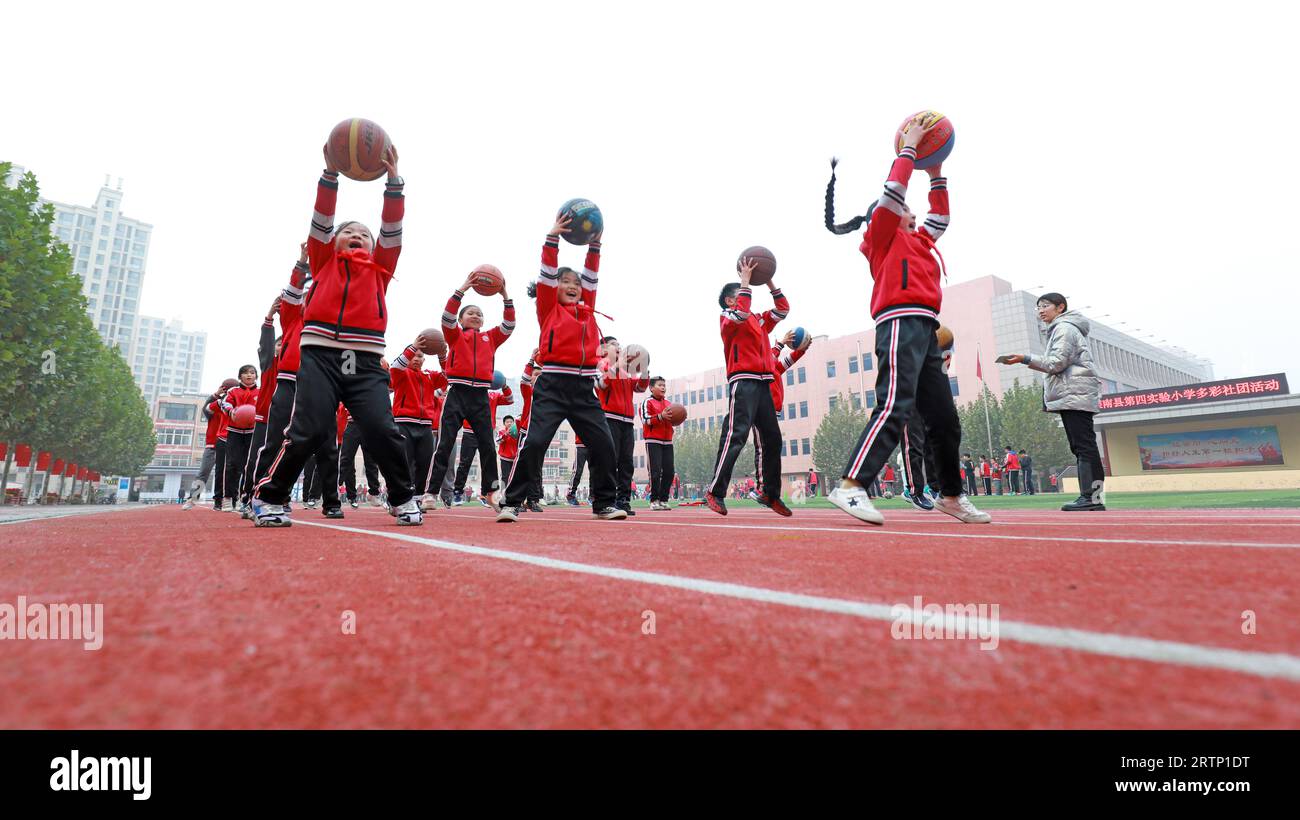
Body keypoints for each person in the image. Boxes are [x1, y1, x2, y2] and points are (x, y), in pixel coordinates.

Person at [824, 115, 989, 526]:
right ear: (886, 214)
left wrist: (936, 173)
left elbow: (942, 217)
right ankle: (851, 485)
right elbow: (893, 192)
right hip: (897, 323)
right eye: (905, 211)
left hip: (926, 329)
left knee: (946, 421)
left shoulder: (919, 241)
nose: (914, 216)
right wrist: (909, 151)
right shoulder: (880, 237)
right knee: (894, 405)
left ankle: (950, 495)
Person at [251, 145, 420, 527]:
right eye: (348, 232)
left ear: (374, 247)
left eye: (364, 234)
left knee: (382, 430)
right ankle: (269, 496)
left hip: (365, 360)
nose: (357, 235)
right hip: (320, 356)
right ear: (333, 243)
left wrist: (394, 184)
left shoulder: (381, 269)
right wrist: (330, 176)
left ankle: (403, 497)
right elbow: (322, 220)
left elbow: (392, 229)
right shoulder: (323, 260)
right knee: (307, 431)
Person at [496, 214, 624, 522]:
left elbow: (592, 275)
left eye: (575, 283)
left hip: (583, 389)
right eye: (564, 281)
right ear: (555, 288)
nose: (571, 285)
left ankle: (604, 503)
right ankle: (512, 502)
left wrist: (595, 246)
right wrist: (551, 240)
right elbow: (547, 274)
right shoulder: (548, 307)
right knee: (536, 442)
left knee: (604, 444)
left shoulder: (588, 308)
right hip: (552, 385)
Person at [1001, 293, 1106, 511]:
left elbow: (1056, 363)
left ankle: (1092, 498)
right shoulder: (1062, 328)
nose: (1040, 310)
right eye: (1038, 307)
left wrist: (1025, 358)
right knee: (1082, 447)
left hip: (1075, 394)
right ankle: (1091, 498)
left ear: (1060, 307)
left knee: (1084, 447)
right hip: (1074, 394)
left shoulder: (1064, 328)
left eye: (1045, 306)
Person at [705, 257, 790, 517]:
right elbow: (741, 312)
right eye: (742, 293)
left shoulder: (759, 320)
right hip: (743, 381)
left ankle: (768, 492)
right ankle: (715, 491)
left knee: (772, 440)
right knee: (736, 436)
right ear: (732, 299)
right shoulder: (729, 316)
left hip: (764, 383)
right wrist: (744, 280)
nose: (747, 295)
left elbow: (783, 309)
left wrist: (768, 280)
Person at [428, 274, 515, 510]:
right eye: (470, 313)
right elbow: (446, 316)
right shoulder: (454, 335)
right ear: (462, 319)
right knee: (444, 445)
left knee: (488, 446)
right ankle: (430, 493)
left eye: (479, 314)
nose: (476, 316)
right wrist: (463, 289)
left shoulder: (491, 338)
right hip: (457, 393)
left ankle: (492, 493)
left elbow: (509, 325)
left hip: (480, 397)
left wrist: (505, 295)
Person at [390, 338, 448, 510]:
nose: (416, 358)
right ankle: (399, 497)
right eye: (413, 355)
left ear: (424, 359)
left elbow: (448, 376)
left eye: (420, 356)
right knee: (404, 463)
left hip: (425, 426)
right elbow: (394, 367)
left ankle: (416, 498)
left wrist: (442, 356)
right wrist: (414, 346)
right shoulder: (400, 373)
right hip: (403, 423)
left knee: (424, 463)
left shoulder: (429, 375)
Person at [596, 336, 648, 516]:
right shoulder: (600, 364)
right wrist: (617, 366)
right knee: (610, 460)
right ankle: (606, 501)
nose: (619, 347)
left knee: (626, 463)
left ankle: (623, 500)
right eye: (614, 345)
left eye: (619, 345)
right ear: (604, 349)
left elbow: (640, 389)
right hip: (609, 418)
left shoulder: (627, 370)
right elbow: (601, 385)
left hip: (627, 421)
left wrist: (645, 370)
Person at [640, 376, 676, 511]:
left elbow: (673, 419)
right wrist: (660, 416)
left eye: (664, 385)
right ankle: (654, 500)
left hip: (668, 441)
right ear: (651, 388)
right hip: (653, 440)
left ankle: (664, 500)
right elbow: (645, 419)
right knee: (655, 472)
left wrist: (678, 417)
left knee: (669, 472)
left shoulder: (668, 403)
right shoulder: (647, 402)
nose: (663, 387)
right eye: (660, 385)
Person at [566, 434, 587, 506]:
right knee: (577, 471)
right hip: (580, 446)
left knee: (595, 472)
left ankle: (593, 496)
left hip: (594, 446)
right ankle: (571, 494)